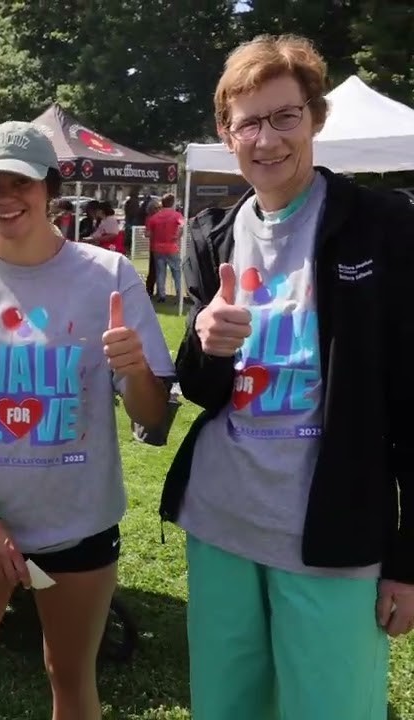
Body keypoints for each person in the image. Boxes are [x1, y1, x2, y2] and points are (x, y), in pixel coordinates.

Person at [162, 34, 414, 720]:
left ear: (316, 120)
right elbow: (206, 391)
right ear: (226, 132)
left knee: (332, 709)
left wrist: (407, 561)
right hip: (220, 523)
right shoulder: (212, 234)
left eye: (284, 117)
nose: (266, 140)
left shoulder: (382, 227)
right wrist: (207, 346)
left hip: (336, 531)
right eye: (249, 122)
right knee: (227, 707)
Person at [0, 121, 173, 720]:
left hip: (79, 524)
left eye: (19, 182)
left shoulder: (110, 277)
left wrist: (138, 373)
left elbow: (154, 421)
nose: (4, 198)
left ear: (50, 187)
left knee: (71, 678)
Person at [145, 193, 183, 302]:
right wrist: (177, 236)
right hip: (171, 247)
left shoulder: (154, 217)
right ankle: (179, 294)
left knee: (160, 272)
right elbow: (183, 225)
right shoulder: (177, 215)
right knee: (176, 272)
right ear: (173, 203)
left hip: (157, 248)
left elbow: (147, 233)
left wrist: (156, 233)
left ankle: (162, 295)